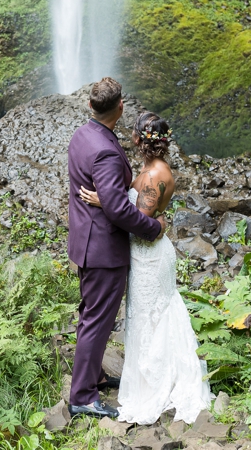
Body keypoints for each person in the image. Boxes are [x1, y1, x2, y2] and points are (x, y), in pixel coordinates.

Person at [78, 112, 212, 424]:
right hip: (143, 255)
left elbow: (139, 224)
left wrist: (105, 202)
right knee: (145, 317)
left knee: (151, 316)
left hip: (149, 255)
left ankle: (155, 384)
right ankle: (150, 377)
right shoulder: (151, 169)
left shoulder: (154, 176)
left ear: (138, 139)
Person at [64, 77, 165, 419]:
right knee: (97, 321)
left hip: (84, 239)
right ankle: (82, 396)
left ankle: (92, 375)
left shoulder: (82, 135)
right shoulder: (106, 150)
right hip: (103, 249)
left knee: (91, 315)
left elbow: (104, 196)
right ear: (120, 107)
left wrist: (104, 201)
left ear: (90, 106)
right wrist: (153, 228)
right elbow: (119, 209)